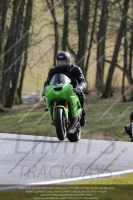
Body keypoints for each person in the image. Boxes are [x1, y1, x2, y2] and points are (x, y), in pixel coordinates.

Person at [42, 51, 87, 126]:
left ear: (68, 61)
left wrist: (79, 88)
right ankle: (52, 113)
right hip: (57, 89)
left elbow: (83, 82)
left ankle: (82, 116)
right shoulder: (53, 70)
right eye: (59, 62)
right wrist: (45, 90)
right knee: (46, 97)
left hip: (72, 90)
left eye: (63, 62)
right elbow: (47, 82)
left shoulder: (75, 69)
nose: (60, 63)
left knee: (81, 95)